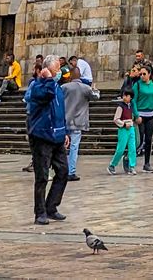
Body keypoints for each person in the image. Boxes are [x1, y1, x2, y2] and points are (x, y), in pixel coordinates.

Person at [24, 57, 69, 225]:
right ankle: (40, 212)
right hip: (42, 136)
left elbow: (60, 111)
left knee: (63, 171)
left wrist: (64, 131)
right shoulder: (37, 87)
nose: (59, 72)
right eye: (56, 69)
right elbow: (47, 95)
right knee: (42, 176)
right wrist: (48, 79)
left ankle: (52, 206)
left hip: (57, 136)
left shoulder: (57, 87)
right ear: (47, 70)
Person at [61, 60, 98, 179]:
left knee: (61, 146)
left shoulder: (64, 87)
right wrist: (95, 90)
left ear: (71, 76)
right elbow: (95, 97)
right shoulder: (85, 88)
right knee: (74, 147)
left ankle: (60, 169)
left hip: (65, 120)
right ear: (80, 76)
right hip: (78, 122)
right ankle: (71, 171)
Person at [131, 57, 153, 173]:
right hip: (140, 115)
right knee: (139, 140)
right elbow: (133, 100)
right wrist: (136, 115)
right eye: (140, 74)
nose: (142, 76)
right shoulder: (137, 85)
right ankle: (130, 159)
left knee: (149, 139)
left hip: (150, 115)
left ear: (149, 74)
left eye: (144, 74)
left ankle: (147, 163)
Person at [108, 91, 138, 174]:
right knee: (121, 149)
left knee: (132, 148)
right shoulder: (120, 107)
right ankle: (112, 165)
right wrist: (123, 124)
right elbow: (116, 119)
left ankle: (131, 166)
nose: (124, 97)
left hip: (131, 127)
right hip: (123, 129)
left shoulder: (131, 106)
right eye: (124, 95)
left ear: (130, 97)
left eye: (126, 96)